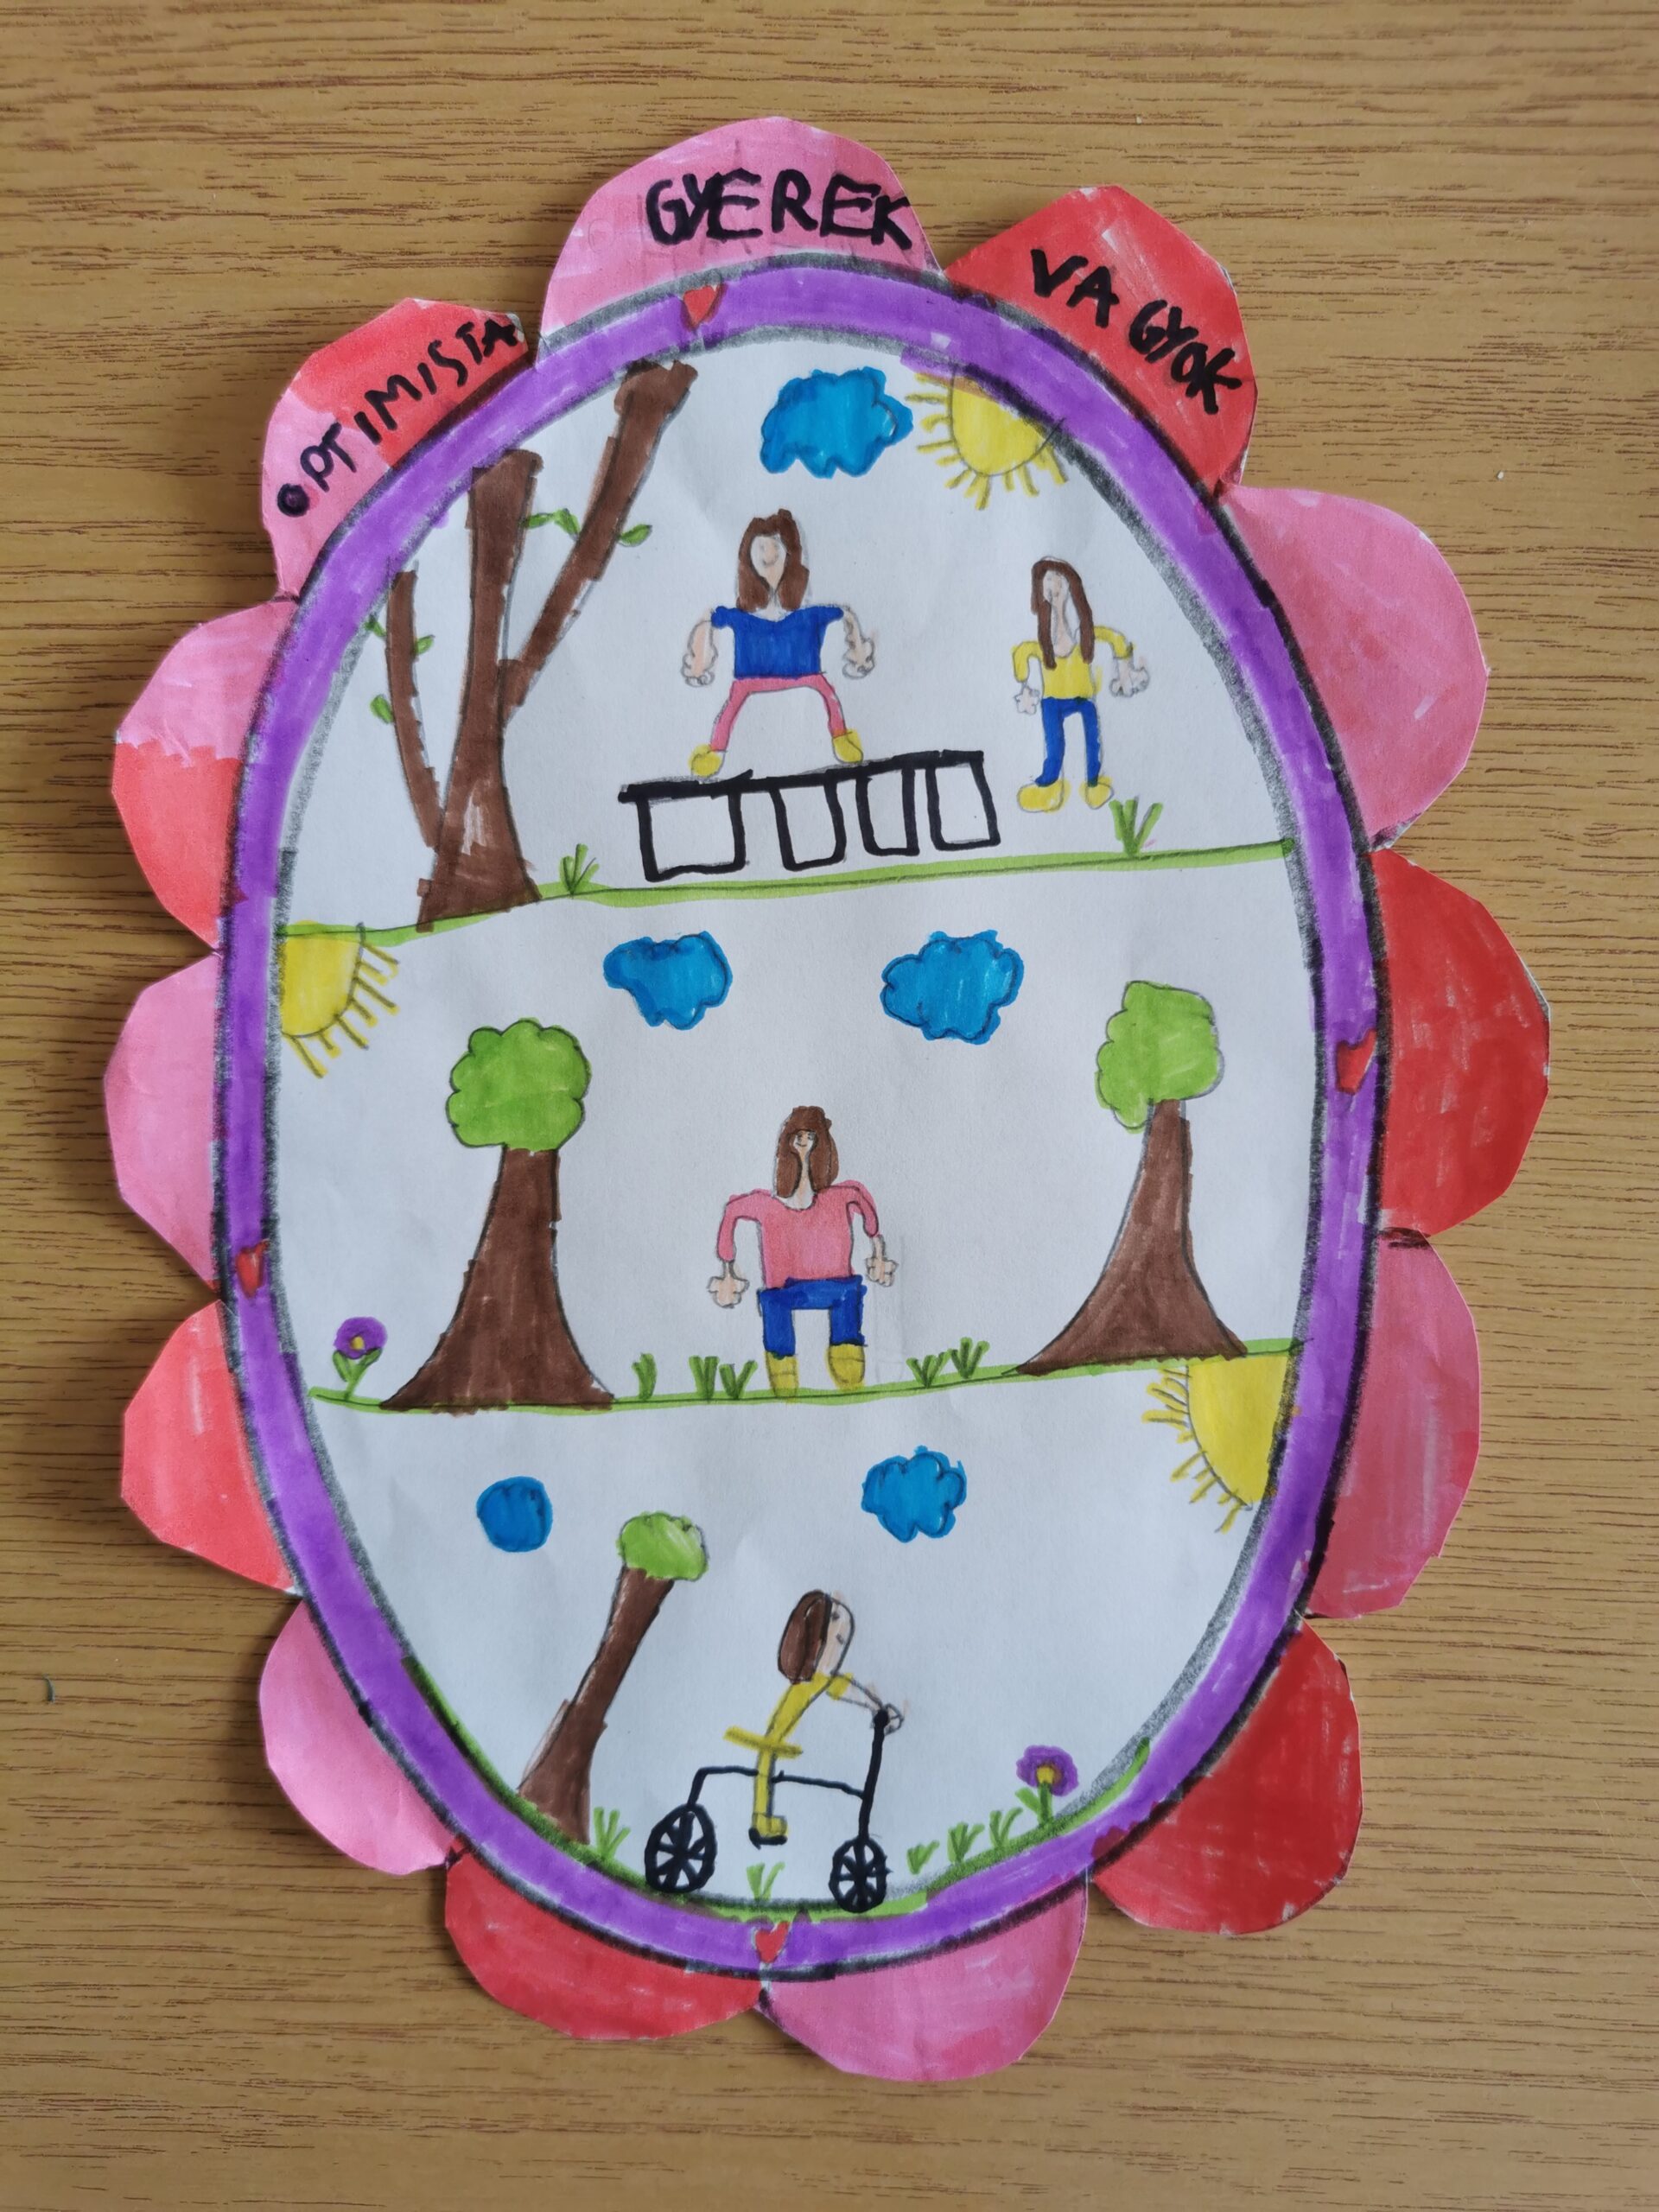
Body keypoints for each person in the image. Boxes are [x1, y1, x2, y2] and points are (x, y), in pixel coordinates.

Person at [709, 1105, 894, 1395]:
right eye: (799, 1135)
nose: (805, 1141)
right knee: (777, 1310)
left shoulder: (839, 1197)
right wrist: (727, 1264)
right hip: (784, 1288)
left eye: (811, 1135)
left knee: (846, 1307)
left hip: (837, 1284)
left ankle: (849, 1375)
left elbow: (863, 1203)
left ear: (822, 1144)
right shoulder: (767, 1206)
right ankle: (784, 1383)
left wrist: (877, 1244)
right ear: (788, 1142)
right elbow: (732, 1210)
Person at [682, 511, 874, 779]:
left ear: (790, 557)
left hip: (805, 678)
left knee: (827, 694)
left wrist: (859, 651)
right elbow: (708, 619)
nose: (768, 555)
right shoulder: (742, 619)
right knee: (731, 709)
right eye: (761, 549)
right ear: (748, 561)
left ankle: (841, 737)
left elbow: (846, 614)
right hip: (750, 682)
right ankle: (715, 752)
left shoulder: (809, 617)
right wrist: (700, 659)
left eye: (775, 549)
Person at [724, 1591, 899, 1846]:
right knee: (768, 1756)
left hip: (789, 1751)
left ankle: (762, 1820)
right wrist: (878, 1708)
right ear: (816, 1641)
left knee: (771, 1757)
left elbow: (847, 1689)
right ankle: (761, 1820)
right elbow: (844, 1689)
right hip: (782, 1749)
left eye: (844, 1643)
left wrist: (878, 1707)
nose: (839, 1653)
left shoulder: (824, 1679)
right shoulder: (813, 1680)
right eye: (838, 1640)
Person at [1011, 557, 1148, 813]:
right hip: (1052, 701)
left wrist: (1125, 668)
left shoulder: (1084, 635)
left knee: (1092, 741)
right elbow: (1023, 653)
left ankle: (1093, 783)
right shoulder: (1043, 643)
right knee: (1054, 747)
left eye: (1058, 579)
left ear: (1070, 585)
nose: (1054, 586)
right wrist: (1024, 681)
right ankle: (1049, 785)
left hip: (1083, 698)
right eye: (1047, 581)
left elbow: (1115, 638)